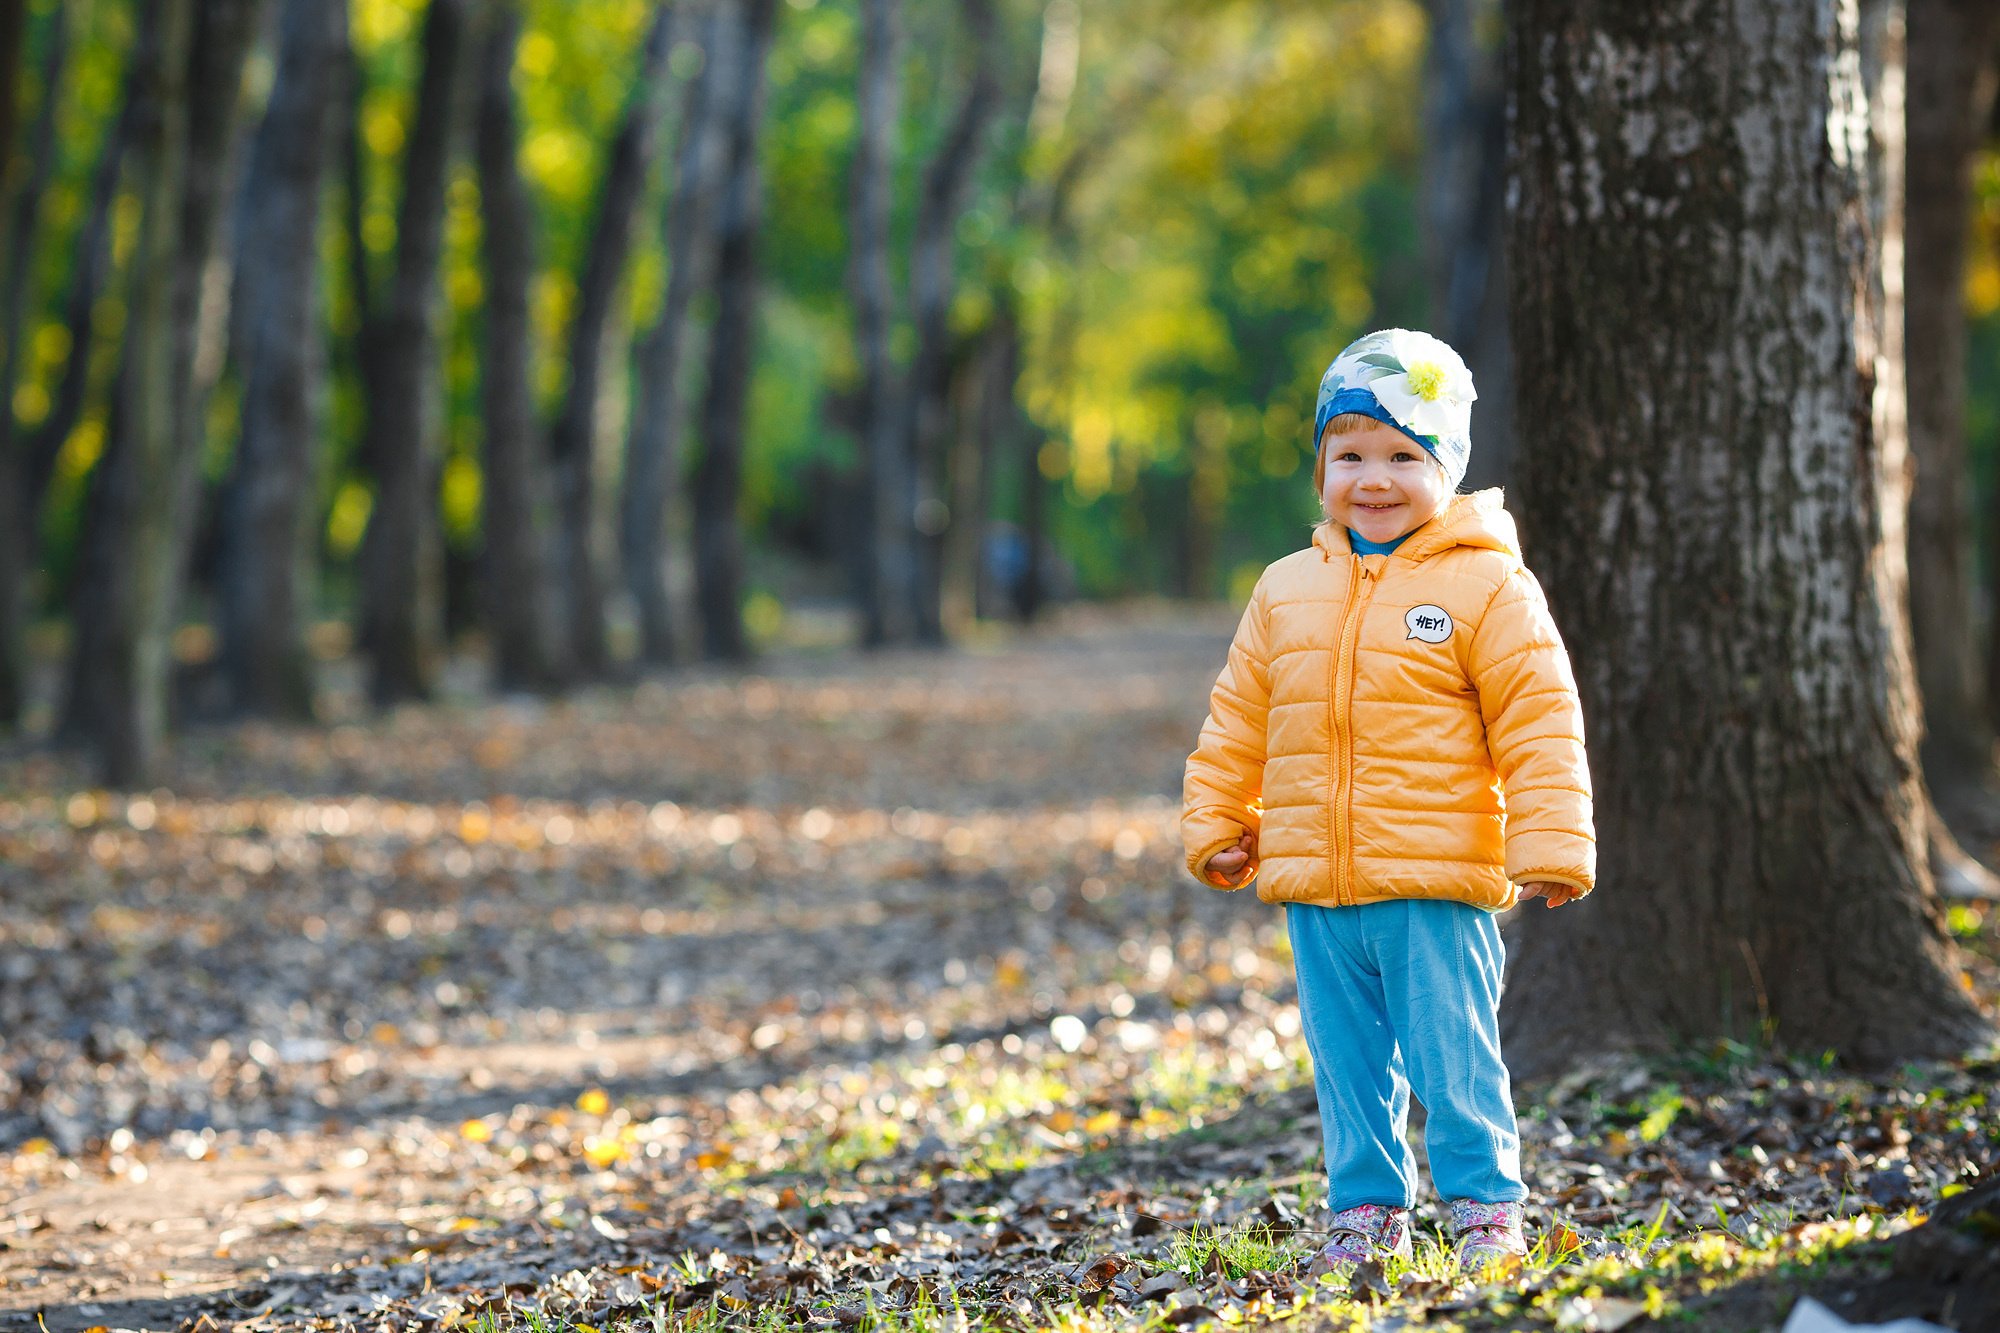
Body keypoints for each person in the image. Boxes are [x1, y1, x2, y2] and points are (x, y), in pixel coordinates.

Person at [1180, 329, 1595, 1273]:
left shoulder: (1487, 582)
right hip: (1318, 882)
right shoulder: (1287, 589)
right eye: (1351, 454)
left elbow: (1538, 717)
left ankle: (1487, 1208)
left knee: (1456, 1059)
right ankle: (1365, 1212)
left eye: (1405, 455)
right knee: (1349, 1068)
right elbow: (1238, 717)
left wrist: (1554, 844)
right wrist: (1217, 820)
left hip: (1436, 881)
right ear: (1321, 464)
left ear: (1446, 465)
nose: (1375, 477)